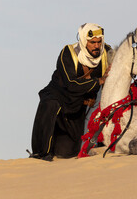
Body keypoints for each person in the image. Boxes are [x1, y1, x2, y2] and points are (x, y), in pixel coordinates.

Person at [30, 23, 112, 161]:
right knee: (50, 105)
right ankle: (41, 153)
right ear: (84, 41)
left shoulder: (106, 53)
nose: (97, 46)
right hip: (60, 95)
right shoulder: (68, 53)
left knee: (67, 152)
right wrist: (98, 81)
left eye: (99, 42)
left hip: (79, 104)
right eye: (92, 42)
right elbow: (71, 84)